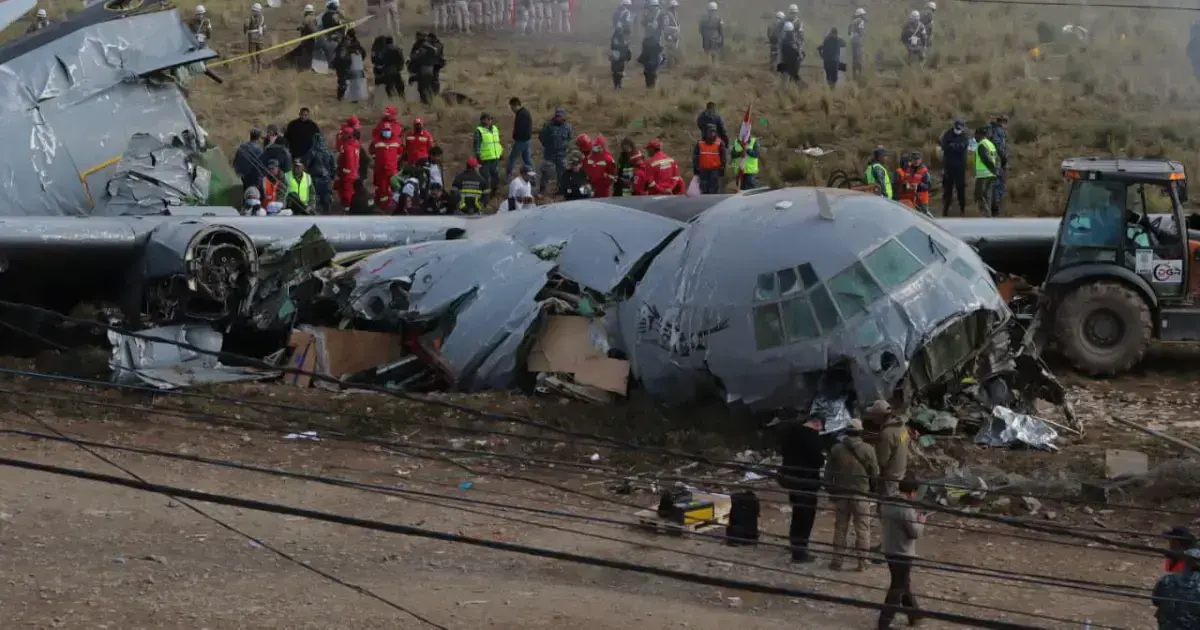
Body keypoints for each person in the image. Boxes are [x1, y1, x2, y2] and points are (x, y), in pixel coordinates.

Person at [824, 418, 879, 572]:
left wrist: (831, 491)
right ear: (860, 432)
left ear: (846, 432)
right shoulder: (868, 449)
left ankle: (837, 561)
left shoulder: (836, 449)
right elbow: (875, 473)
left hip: (841, 495)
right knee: (863, 529)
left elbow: (828, 474)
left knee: (841, 529)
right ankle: (863, 562)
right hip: (861, 495)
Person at [772, 412, 824, 563]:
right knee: (806, 517)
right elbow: (817, 460)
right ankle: (800, 552)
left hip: (791, 480)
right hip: (807, 482)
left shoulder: (791, 434)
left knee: (797, 513)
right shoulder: (812, 437)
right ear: (817, 423)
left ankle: (794, 544)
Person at [877, 477, 926, 630]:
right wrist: (921, 521)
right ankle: (884, 622)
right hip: (902, 552)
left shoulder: (887, 503)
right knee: (898, 586)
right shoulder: (905, 509)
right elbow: (915, 533)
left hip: (889, 548)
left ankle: (914, 614)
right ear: (912, 493)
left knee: (903, 582)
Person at [865, 400, 908, 497]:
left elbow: (882, 460)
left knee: (887, 504)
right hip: (900, 470)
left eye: (874, 415)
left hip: (890, 476)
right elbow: (902, 443)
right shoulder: (902, 427)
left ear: (880, 416)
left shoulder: (887, 433)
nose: (873, 418)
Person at [538, 107, 573, 195]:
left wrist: (566, 146)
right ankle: (542, 189)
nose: (558, 118)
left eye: (560, 116)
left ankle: (561, 190)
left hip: (561, 154)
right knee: (546, 171)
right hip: (550, 154)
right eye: (557, 116)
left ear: (564, 117)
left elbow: (569, 138)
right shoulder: (548, 126)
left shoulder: (568, 127)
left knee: (562, 173)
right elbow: (541, 137)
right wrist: (547, 145)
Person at [939, 119, 970, 216]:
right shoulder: (948, 134)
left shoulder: (964, 136)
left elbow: (962, 147)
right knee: (947, 190)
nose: (958, 130)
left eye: (960, 128)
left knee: (961, 189)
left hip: (960, 168)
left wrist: (953, 146)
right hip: (948, 167)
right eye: (957, 128)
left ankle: (962, 210)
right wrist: (954, 146)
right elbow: (945, 146)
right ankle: (945, 210)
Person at [370, 123, 402, 207]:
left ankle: (395, 206)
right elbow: (371, 151)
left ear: (391, 131)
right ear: (382, 131)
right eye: (385, 130)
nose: (386, 132)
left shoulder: (397, 141)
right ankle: (383, 206)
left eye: (388, 130)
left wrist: (394, 160)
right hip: (381, 170)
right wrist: (377, 159)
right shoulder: (376, 141)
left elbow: (400, 151)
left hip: (392, 170)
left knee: (395, 189)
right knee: (383, 190)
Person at [304, 132, 336, 214]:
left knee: (315, 199)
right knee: (326, 199)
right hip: (327, 179)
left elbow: (306, 165)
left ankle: (316, 216)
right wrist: (331, 177)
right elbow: (334, 167)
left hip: (316, 179)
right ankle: (327, 215)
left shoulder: (312, 152)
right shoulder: (328, 152)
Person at [474, 113, 504, 199]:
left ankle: (494, 193)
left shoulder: (494, 128)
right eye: (488, 119)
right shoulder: (479, 130)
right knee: (485, 178)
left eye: (491, 119)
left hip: (495, 158)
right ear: (483, 120)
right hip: (485, 159)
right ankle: (484, 197)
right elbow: (477, 145)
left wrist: (500, 152)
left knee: (495, 176)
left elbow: (497, 142)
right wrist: (478, 157)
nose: (490, 121)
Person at [692, 124, 726, 195]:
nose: (712, 134)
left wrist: (722, 169)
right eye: (710, 132)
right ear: (705, 132)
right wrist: (696, 169)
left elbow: (723, 157)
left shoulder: (720, 143)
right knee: (703, 190)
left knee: (714, 190)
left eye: (713, 132)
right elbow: (695, 157)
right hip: (703, 170)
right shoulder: (699, 143)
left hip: (715, 170)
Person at [974, 126, 1000, 217]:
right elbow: (997, 159)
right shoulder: (990, 144)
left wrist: (993, 169)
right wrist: (996, 170)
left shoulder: (981, 145)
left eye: (976, 135)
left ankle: (986, 215)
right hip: (990, 175)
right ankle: (987, 215)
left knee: (980, 195)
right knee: (986, 195)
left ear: (980, 135)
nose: (975, 137)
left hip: (984, 175)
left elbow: (986, 159)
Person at [233, 128, 266, 197]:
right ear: (259, 138)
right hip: (253, 178)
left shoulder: (242, 147)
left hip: (241, 176)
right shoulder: (259, 150)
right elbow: (261, 166)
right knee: (252, 195)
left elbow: (235, 162)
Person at [506, 98, 534, 179]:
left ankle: (508, 175)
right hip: (526, 140)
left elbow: (520, 129)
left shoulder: (522, 114)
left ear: (515, 106)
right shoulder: (524, 113)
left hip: (521, 141)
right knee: (527, 159)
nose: (511, 110)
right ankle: (532, 176)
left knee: (512, 158)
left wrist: (515, 137)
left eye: (512, 108)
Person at [336, 125, 361, 209]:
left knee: (347, 191)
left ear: (348, 135)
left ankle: (348, 207)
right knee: (350, 190)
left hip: (348, 174)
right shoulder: (355, 143)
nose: (342, 135)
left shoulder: (348, 147)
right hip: (354, 172)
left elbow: (349, 160)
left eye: (344, 134)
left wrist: (344, 170)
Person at [990, 114, 1010, 215]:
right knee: (997, 184)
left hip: (993, 161)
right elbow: (999, 147)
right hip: (997, 162)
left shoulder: (992, 130)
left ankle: (994, 206)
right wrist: (1004, 159)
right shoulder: (998, 132)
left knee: (995, 184)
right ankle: (995, 207)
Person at [244, 3, 266, 73]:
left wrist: (245, 31)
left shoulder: (250, 17)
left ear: (253, 10)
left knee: (252, 54)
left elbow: (246, 26)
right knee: (259, 54)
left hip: (252, 39)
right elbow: (264, 29)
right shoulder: (262, 18)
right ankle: (259, 70)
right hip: (260, 39)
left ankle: (253, 70)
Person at [848, 8, 867, 80]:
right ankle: (860, 75)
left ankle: (854, 75)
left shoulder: (852, 21)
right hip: (858, 40)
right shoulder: (860, 21)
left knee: (854, 58)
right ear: (861, 15)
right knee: (859, 57)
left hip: (852, 40)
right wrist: (864, 34)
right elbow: (861, 31)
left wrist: (852, 36)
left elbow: (849, 32)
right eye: (863, 14)